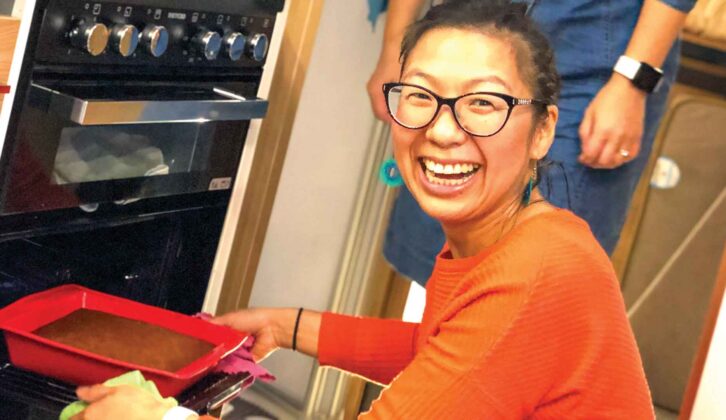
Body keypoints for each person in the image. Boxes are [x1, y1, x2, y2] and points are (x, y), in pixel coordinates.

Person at [72, 1, 654, 418]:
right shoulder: (521, 239)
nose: (443, 131)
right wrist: (286, 326)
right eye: (421, 96)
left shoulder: (536, 275)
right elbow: (443, 350)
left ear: (544, 128)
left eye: (482, 103)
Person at [375, 0, 696, 286]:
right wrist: (395, 49)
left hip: (594, 67)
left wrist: (632, 82)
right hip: (467, 41)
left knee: (542, 278)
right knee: (433, 256)